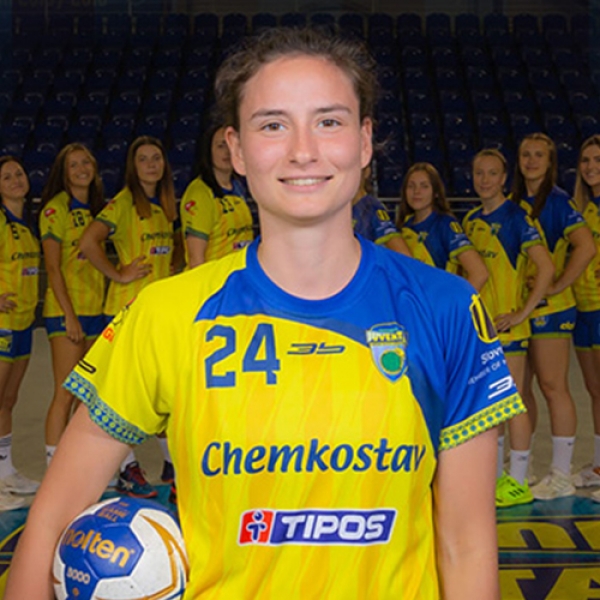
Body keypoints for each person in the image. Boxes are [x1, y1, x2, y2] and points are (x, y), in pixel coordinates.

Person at [6, 28, 525, 599]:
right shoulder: (168, 311)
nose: (303, 150)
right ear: (236, 149)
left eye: (329, 121)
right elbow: (51, 520)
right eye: (273, 125)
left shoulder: (448, 309)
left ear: (364, 141)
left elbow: (466, 545)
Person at [79, 136, 179, 498]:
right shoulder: (122, 204)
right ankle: (126, 468)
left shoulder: (165, 206)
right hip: (125, 312)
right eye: (143, 159)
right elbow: (88, 242)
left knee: (165, 393)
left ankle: (171, 466)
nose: (151, 165)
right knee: (126, 395)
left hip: (157, 313)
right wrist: (118, 274)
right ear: (132, 168)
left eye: (156, 158)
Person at [463, 149, 554, 507]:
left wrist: (521, 313)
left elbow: (546, 267)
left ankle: (518, 480)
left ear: (504, 179)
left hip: (509, 330)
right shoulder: (470, 219)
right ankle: (498, 475)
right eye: (479, 173)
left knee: (512, 403)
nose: (484, 180)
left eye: (492, 174)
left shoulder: (517, 217)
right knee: (491, 406)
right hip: (481, 330)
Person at [511, 132, 595, 500]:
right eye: (525, 155)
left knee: (553, 386)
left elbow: (586, 247)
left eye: (538, 155)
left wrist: (559, 284)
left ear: (550, 163)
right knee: (522, 389)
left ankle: (561, 474)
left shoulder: (559, 202)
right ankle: (523, 466)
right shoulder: (515, 203)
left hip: (553, 311)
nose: (531, 161)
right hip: (523, 309)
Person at [39, 143, 105, 466]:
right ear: (63, 174)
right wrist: (69, 315)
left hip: (96, 310)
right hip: (67, 312)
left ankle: (81, 464)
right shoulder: (56, 209)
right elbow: (52, 268)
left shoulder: (97, 210)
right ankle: (55, 466)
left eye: (86, 163)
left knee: (88, 394)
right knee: (65, 393)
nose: (82, 169)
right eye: (74, 165)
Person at [0, 156, 40, 508]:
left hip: (24, 322)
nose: (15, 180)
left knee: (8, 400)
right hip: (2, 324)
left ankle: (6, 472)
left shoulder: (26, 225)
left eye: (19, 173)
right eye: (6, 177)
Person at [399, 162, 488, 290]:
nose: (416, 192)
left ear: (436, 192)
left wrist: (457, 301)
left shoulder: (445, 225)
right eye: (411, 186)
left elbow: (480, 274)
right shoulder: (403, 227)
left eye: (424, 186)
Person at [570, 135, 600, 500]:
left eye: (598, 160)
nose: (591, 167)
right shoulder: (584, 209)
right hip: (584, 307)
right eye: (586, 161)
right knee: (595, 390)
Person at [180, 121, 254, 268]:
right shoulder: (200, 193)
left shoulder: (238, 187)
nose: (227, 151)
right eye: (221, 146)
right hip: (216, 279)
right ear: (208, 151)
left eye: (231, 144)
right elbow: (196, 259)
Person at [351, 164, 410, 254]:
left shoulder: (372, 208)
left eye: (355, 169)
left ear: (366, 172)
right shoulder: (340, 209)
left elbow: (404, 255)